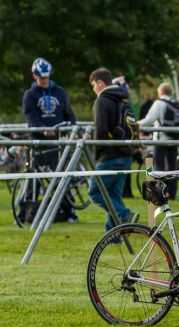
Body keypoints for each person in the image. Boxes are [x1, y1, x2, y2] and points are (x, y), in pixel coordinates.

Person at [22, 57, 78, 223]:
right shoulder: (30, 95)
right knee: (35, 179)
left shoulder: (60, 92)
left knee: (62, 178)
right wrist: (43, 130)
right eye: (41, 78)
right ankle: (26, 213)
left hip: (59, 143)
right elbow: (31, 117)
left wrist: (73, 128)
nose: (44, 81)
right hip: (39, 144)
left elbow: (69, 113)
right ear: (34, 76)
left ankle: (68, 212)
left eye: (46, 77)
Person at [88, 67, 138, 232]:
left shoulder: (102, 100)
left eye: (93, 85)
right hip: (126, 154)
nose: (94, 89)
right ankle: (113, 234)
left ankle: (125, 215)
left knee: (95, 191)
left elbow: (101, 130)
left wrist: (96, 154)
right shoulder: (123, 99)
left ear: (100, 83)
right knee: (113, 195)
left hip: (109, 155)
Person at [137, 82, 179, 199]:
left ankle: (160, 193)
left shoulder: (159, 103)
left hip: (161, 140)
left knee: (159, 167)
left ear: (160, 92)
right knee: (173, 167)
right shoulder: (176, 104)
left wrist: (136, 124)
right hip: (174, 139)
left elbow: (149, 119)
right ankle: (172, 192)